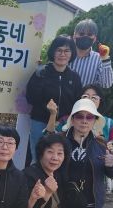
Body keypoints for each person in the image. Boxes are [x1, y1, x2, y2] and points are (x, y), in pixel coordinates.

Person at [25, 35, 81, 165]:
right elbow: (30, 98)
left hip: (64, 125)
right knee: (38, 158)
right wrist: (48, 109)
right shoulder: (41, 73)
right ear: (53, 52)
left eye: (67, 51)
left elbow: (77, 102)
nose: (62, 54)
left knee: (60, 160)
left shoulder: (74, 77)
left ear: (72, 53)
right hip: (40, 122)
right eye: (59, 50)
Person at [45, 84, 113, 163]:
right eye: (85, 96)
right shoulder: (66, 119)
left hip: (98, 167)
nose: (89, 100)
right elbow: (48, 139)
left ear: (100, 101)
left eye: (94, 97)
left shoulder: (109, 124)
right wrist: (53, 114)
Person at [69, 19, 113, 88]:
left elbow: (106, 84)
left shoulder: (99, 59)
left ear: (94, 39)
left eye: (89, 34)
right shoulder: (65, 54)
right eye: (81, 34)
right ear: (74, 36)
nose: (85, 37)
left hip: (85, 95)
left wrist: (105, 59)